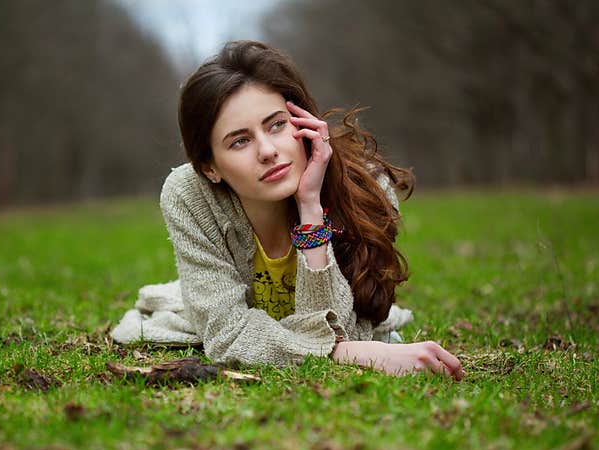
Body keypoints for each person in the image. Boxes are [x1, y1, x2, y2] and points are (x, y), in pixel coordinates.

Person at [111, 40, 465, 381]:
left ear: (303, 121)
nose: (267, 150)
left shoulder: (367, 189)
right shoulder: (189, 194)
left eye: (277, 124)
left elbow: (343, 326)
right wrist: (346, 354)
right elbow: (229, 335)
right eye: (240, 141)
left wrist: (310, 206)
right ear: (210, 167)